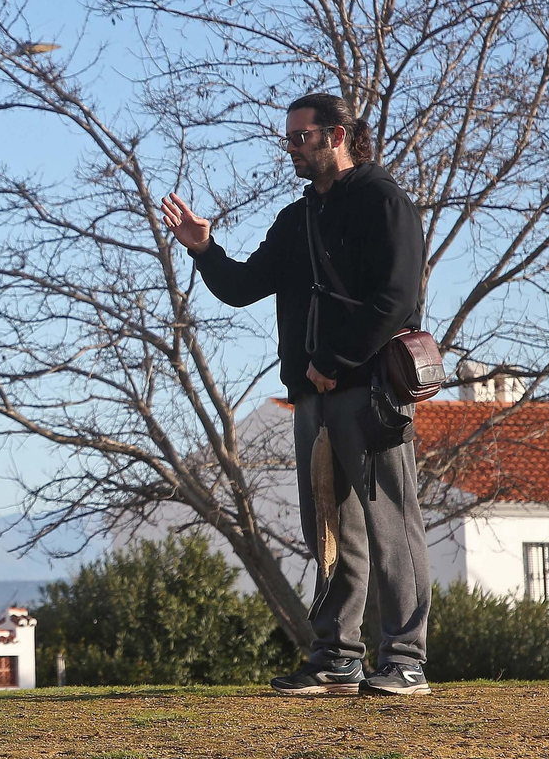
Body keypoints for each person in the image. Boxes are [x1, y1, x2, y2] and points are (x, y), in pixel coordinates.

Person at [159, 92, 431, 697]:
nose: (291, 149)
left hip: (372, 392)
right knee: (330, 530)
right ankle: (337, 658)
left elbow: (398, 299)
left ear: (335, 136)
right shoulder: (296, 218)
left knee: (392, 523)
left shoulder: (383, 200)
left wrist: (335, 362)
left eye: (298, 138)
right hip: (311, 398)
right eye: (288, 138)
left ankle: (405, 660)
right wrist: (204, 249)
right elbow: (242, 287)